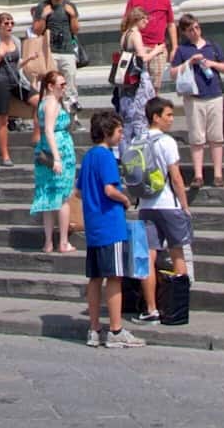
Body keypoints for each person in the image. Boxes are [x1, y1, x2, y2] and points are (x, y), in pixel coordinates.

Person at [77, 111, 146, 349]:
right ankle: (115, 329)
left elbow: (79, 191)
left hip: (94, 224)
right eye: (118, 131)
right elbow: (109, 189)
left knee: (95, 278)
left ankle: (94, 329)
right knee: (114, 277)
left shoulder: (88, 157)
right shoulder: (106, 156)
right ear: (108, 132)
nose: (121, 135)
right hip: (110, 223)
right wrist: (125, 199)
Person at [130, 98, 191, 325]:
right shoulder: (167, 141)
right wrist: (184, 204)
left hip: (146, 205)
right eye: (168, 115)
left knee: (148, 256)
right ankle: (178, 306)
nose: (171, 119)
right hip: (168, 204)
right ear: (156, 117)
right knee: (177, 252)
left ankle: (151, 308)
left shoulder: (137, 139)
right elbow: (175, 176)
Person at [171, 14, 224, 188]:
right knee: (197, 136)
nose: (195, 32)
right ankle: (198, 175)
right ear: (184, 32)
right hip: (193, 97)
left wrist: (211, 63)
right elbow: (173, 73)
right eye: (190, 30)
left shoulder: (212, 46)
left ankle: (218, 174)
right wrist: (190, 62)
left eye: (197, 28)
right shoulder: (182, 50)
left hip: (214, 94)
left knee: (216, 136)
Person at [29, 71, 77, 254]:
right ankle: (62, 242)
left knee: (49, 197)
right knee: (62, 197)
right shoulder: (50, 104)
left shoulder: (46, 103)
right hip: (57, 151)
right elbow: (48, 131)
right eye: (61, 84)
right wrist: (57, 158)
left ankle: (49, 242)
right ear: (50, 86)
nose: (64, 87)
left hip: (48, 150)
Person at [0, 12, 33, 166]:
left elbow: (17, 65)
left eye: (12, 23)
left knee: (39, 101)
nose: (10, 26)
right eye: (6, 23)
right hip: (1, 82)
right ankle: (5, 155)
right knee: (3, 118)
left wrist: (28, 60)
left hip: (17, 81)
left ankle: (37, 138)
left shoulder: (16, 41)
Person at [32, 0, 82, 110]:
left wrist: (73, 16)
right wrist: (43, 17)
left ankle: (72, 116)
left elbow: (76, 30)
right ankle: (53, 113)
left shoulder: (70, 6)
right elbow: (36, 31)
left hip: (67, 51)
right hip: (50, 52)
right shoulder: (42, 6)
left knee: (70, 85)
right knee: (52, 85)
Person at [124, 0, 178, 93]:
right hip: (139, 47)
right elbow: (126, 23)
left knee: (155, 86)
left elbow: (171, 24)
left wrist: (174, 47)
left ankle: (153, 109)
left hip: (157, 48)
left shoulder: (164, 0)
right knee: (138, 83)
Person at [116, 7, 164, 142]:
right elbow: (142, 58)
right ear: (138, 19)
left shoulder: (124, 34)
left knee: (129, 119)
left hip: (127, 82)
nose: (147, 22)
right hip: (138, 81)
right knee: (140, 115)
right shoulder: (135, 34)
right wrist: (156, 51)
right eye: (145, 19)